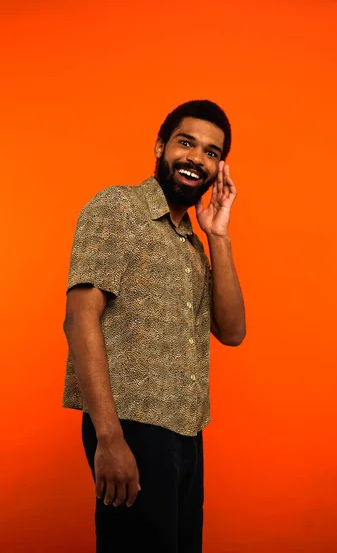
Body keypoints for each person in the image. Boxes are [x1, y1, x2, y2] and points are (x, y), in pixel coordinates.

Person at [62, 99, 246, 553]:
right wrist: (109, 438)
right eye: (187, 143)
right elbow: (79, 316)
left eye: (212, 153)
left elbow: (233, 331)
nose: (197, 159)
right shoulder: (118, 208)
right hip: (130, 428)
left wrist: (217, 236)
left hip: (186, 433)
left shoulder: (192, 245)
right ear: (160, 146)